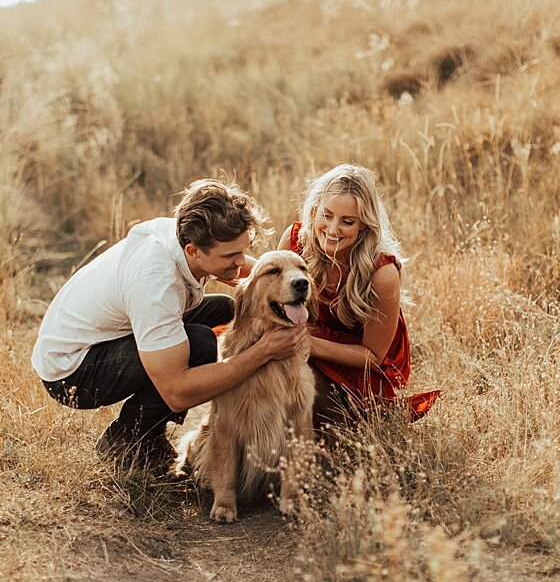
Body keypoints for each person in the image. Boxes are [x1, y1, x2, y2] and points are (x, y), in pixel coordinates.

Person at [32, 179, 308, 471]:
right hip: (72, 370)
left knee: (223, 308)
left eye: (243, 251)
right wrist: (263, 352)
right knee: (199, 343)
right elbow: (177, 392)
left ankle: (150, 430)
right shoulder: (157, 283)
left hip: (103, 335)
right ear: (194, 251)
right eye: (231, 257)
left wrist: (291, 278)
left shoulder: (186, 233)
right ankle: (128, 440)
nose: (240, 263)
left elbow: (250, 273)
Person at [277, 164, 439, 431]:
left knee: (297, 381)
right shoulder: (297, 241)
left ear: (364, 224)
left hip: (354, 369)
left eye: (347, 221)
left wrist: (308, 344)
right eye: (326, 215)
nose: (332, 229)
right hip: (297, 343)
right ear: (314, 209)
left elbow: (372, 355)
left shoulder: (382, 272)